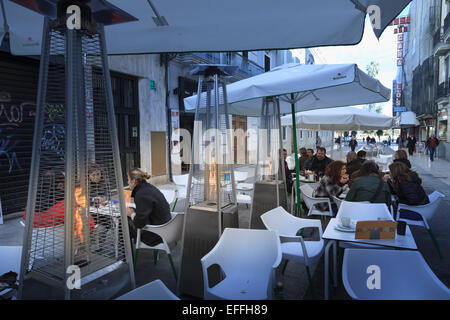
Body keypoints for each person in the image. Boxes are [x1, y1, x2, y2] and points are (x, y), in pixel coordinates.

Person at [126, 168, 171, 247]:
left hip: (156, 235)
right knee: (128, 221)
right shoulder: (148, 188)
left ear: (134, 181)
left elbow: (140, 223)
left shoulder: (141, 194)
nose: (128, 182)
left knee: (123, 224)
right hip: (167, 229)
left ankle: (125, 256)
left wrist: (131, 213)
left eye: (128, 180)